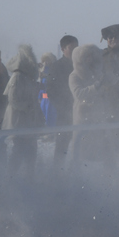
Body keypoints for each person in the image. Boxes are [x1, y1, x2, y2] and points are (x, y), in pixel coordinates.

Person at [2, 45, 44, 178]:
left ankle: (29, 178)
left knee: (31, 151)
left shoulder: (27, 78)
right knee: (19, 151)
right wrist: (29, 107)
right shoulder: (17, 77)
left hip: (28, 121)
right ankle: (11, 179)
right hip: (19, 120)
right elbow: (14, 100)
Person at [46, 35, 78, 164]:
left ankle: (77, 172)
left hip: (80, 111)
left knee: (79, 144)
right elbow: (50, 91)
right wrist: (62, 107)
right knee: (62, 145)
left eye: (76, 47)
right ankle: (57, 173)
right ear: (63, 48)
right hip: (64, 113)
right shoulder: (56, 67)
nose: (75, 50)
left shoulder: (81, 66)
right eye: (71, 47)